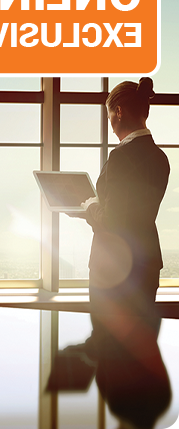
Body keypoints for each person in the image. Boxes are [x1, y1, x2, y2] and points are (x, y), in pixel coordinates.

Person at [80, 77, 170, 354]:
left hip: (114, 270)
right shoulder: (160, 157)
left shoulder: (121, 157)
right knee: (139, 350)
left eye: (109, 114)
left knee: (110, 350)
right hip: (146, 265)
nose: (110, 122)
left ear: (118, 111)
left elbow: (113, 220)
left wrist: (88, 206)